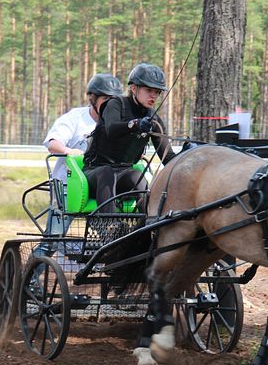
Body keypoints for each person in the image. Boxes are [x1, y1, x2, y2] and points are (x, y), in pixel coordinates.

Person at [32, 73, 124, 259]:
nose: (109, 105)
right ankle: (31, 276)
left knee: (111, 238)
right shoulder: (76, 118)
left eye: (114, 100)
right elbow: (52, 142)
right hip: (69, 187)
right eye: (105, 99)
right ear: (93, 98)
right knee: (54, 239)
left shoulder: (117, 123)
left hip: (101, 188)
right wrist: (68, 151)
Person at [83, 63, 175, 213]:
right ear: (134, 88)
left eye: (157, 92)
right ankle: (108, 226)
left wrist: (188, 156)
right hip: (95, 172)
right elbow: (111, 129)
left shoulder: (153, 119)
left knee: (137, 177)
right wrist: (136, 124)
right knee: (106, 172)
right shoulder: (115, 104)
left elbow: (167, 157)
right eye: (149, 90)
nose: (154, 95)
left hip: (123, 172)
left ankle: (147, 225)